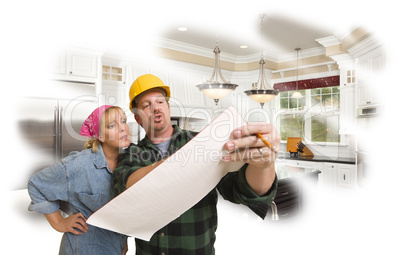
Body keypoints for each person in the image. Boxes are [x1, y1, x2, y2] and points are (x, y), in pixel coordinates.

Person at [113, 74, 280, 255]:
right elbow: (124, 186)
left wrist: (264, 165)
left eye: (160, 102)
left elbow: (241, 189)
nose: (155, 109)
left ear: (168, 107)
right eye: (146, 105)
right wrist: (178, 162)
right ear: (138, 119)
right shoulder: (132, 154)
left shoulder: (202, 142)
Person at [28, 105, 130, 255]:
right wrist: (59, 222)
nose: (122, 128)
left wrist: (123, 241)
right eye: (112, 125)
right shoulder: (80, 164)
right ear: (100, 136)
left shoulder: (128, 165)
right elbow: (36, 184)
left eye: (123, 121)